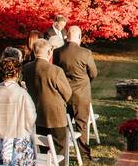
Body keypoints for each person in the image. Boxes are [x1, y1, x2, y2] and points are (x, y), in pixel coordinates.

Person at [23, 39, 73, 158]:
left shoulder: (26, 68)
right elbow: (67, 92)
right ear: (49, 52)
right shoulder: (55, 70)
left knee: (44, 147)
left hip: (37, 112)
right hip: (55, 114)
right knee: (59, 147)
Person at [54, 26, 98, 157]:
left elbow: (55, 71)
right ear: (79, 37)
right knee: (81, 123)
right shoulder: (85, 53)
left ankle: (63, 150)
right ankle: (83, 152)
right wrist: (85, 82)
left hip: (63, 93)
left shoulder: (57, 52)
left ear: (67, 36)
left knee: (64, 123)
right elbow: (93, 73)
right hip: (81, 94)